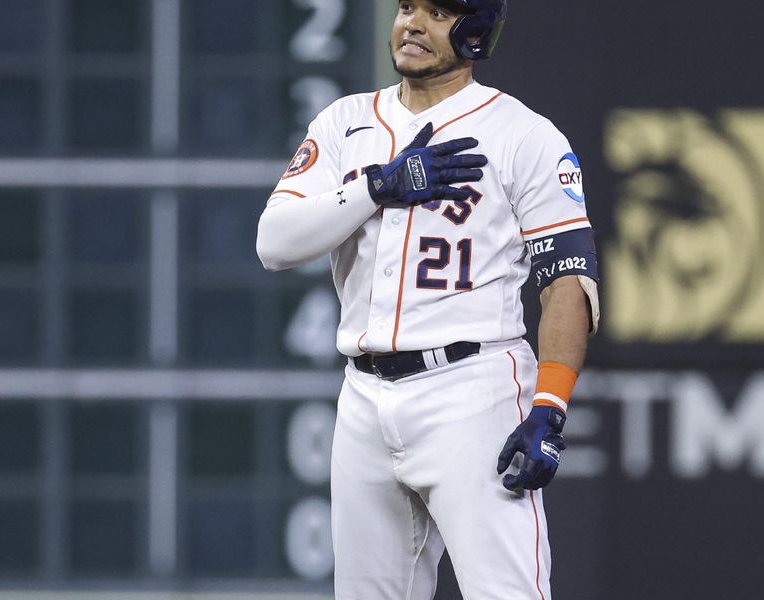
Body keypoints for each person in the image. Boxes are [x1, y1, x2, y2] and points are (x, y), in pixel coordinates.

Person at [256, 0, 599, 597]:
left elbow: (568, 279)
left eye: (438, 12)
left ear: (475, 32)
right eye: (407, 6)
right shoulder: (345, 123)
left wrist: (551, 404)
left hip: (473, 390)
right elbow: (274, 243)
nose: (411, 24)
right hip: (363, 396)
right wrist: (379, 185)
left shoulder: (522, 134)